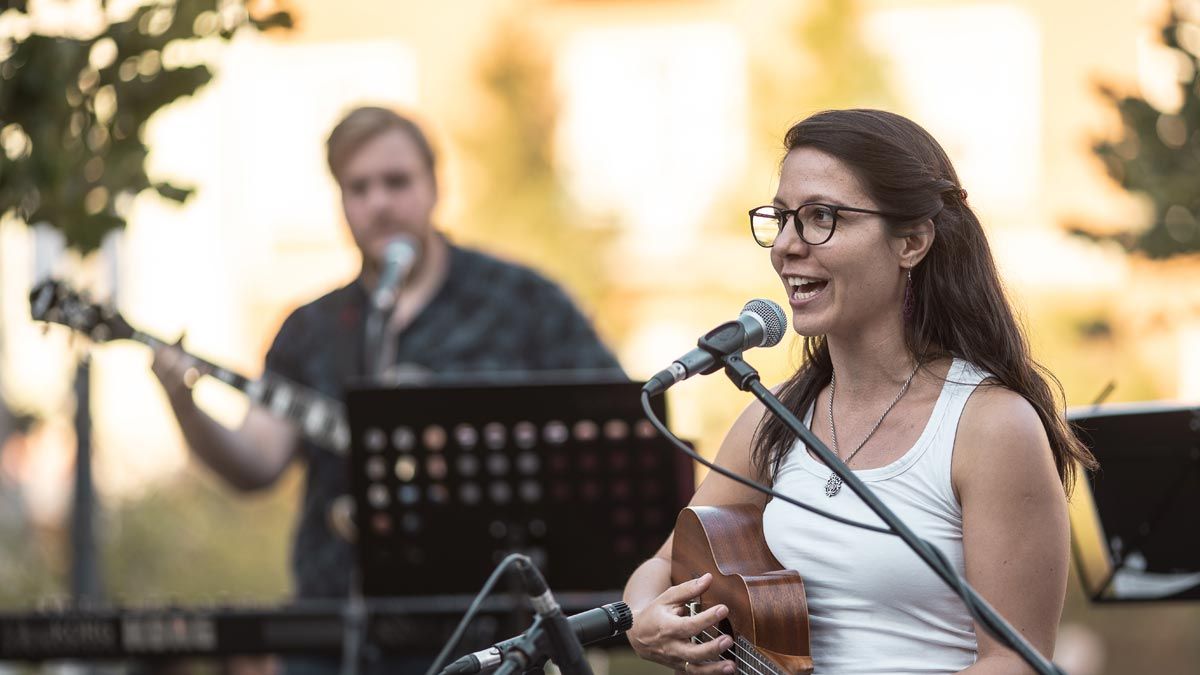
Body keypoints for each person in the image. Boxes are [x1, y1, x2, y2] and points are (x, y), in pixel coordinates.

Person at [623, 109, 1096, 674]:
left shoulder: (990, 425)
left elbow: (1016, 662)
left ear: (911, 242)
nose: (786, 246)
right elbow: (662, 568)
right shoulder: (775, 418)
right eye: (782, 218)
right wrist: (643, 619)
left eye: (821, 217)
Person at [151, 106, 622, 667]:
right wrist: (183, 403)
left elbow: (614, 423)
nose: (379, 203)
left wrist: (477, 444)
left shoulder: (523, 301)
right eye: (359, 188)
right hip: (338, 631)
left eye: (396, 182)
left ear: (434, 187)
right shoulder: (310, 328)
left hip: (494, 629)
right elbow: (254, 463)